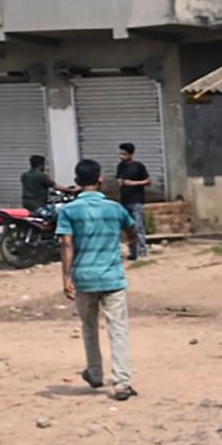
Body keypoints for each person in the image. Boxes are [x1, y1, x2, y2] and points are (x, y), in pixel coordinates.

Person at [57, 159, 139, 401]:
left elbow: (66, 244)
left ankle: (94, 373)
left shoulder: (69, 211)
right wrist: (131, 244)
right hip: (112, 277)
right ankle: (122, 383)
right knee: (119, 329)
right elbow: (132, 231)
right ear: (100, 179)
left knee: (89, 327)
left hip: (84, 277)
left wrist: (66, 277)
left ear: (77, 182)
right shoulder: (114, 208)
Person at [114, 143, 151, 259]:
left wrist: (133, 183)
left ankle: (142, 251)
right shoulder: (120, 166)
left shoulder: (138, 166)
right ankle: (132, 252)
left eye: (124, 154)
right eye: (120, 153)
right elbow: (119, 179)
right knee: (127, 228)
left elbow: (148, 181)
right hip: (124, 200)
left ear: (130, 154)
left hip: (136, 200)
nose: (121, 156)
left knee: (138, 226)